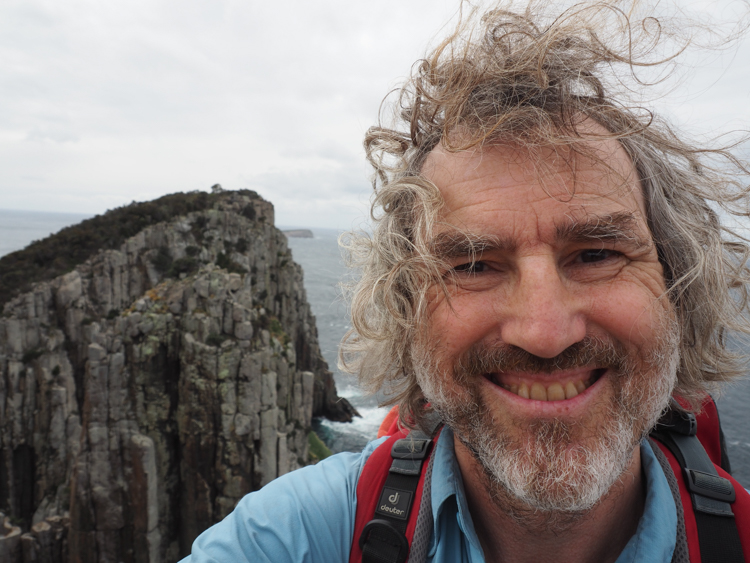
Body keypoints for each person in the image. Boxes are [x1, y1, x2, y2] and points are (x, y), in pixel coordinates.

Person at [181, 1, 750, 561]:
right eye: (474, 266)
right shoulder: (299, 534)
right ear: (407, 311)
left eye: (596, 254)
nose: (544, 332)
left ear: (678, 288)